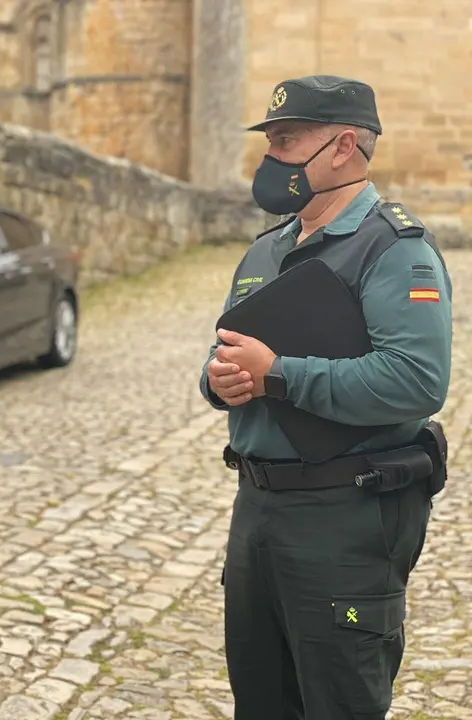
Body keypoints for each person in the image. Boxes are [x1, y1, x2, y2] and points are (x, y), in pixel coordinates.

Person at [201, 75, 452, 720]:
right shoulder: (266, 249)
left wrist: (279, 373)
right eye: (271, 141)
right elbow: (226, 355)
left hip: (344, 516)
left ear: (343, 147)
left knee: (339, 701)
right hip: (258, 510)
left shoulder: (395, 250)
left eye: (287, 140)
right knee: (261, 699)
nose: (271, 157)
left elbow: (417, 381)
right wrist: (220, 380)